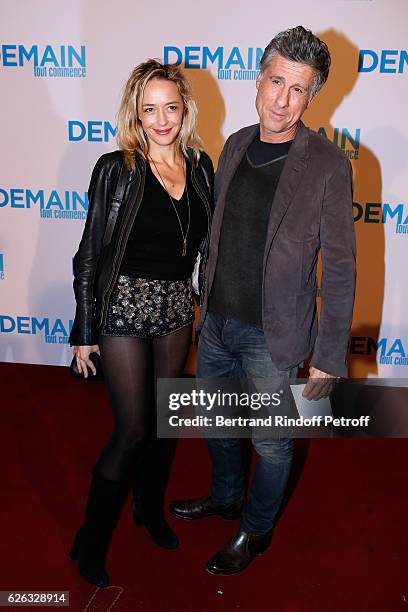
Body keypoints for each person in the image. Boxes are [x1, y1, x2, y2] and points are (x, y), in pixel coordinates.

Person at [170, 26, 356, 575]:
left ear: (313, 96)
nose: (283, 99)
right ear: (259, 79)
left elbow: (341, 267)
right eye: (276, 81)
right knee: (220, 425)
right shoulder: (234, 145)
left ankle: (255, 529)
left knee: (272, 444)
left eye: (298, 89)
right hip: (218, 324)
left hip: (273, 336)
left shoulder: (327, 164)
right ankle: (227, 497)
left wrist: (329, 355)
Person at [68, 59, 213, 587]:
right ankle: (91, 537)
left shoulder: (201, 166)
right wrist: (85, 331)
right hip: (124, 307)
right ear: (136, 113)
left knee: (163, 424)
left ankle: (148, 510)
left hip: (176, 308)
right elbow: (89, 254)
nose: (161, 119)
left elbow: (203, 250)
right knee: (131, 431)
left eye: (170, 107)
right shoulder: (117, 168)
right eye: (149, 109)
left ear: (184, 110)